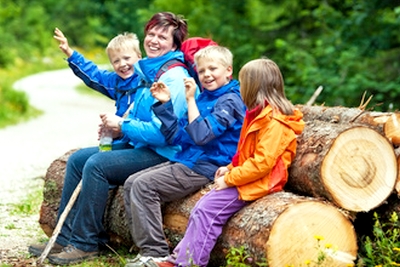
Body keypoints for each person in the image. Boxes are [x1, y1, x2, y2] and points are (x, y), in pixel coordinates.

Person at [28, 11, 192, 265]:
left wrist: (123, 125)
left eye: (162, 36)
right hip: (142, 144)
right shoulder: (149, 70)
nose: (154, 40)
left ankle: (85, 243)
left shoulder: (174, 77)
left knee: (97, 165)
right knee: (79, 159)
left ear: (174, 44)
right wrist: (118, 129)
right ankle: (64, 236)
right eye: (151, 34)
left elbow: (162, 134)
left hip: (166, 153)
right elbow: (129, 106)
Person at [155, 58, 305, 267]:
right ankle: (179, 259)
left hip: (263, 181)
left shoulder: (275, 123)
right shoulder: (258, 114)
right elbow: (247, 154)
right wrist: (230, 168)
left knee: (207, 210)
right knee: (201, 207)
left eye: (244, 83)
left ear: (254, 87)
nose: (240, 88)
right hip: (248, 176)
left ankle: (190, 263)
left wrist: (230, 179)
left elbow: (262, 164)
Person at [123, 45, 246, 267]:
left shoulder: (230, 100)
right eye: (201, 71)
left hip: (208, 165)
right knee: (132, 182)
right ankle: (144, 248)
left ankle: (155, 253)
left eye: (212, 69)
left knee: (143, 186)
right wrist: (165, 104)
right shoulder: (205, 98)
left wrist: (190, 100)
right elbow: (176, 136)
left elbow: (202, 136)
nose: (206, 75)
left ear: (229, 70)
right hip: (188, 158)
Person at [54, 27, 142, 118]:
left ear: (139, 57)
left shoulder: (148, 79)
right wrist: (69, 52)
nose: (122, 64)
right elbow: (94, 74)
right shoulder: (114, 81)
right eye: (116, 61)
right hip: (123, 129)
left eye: (127, 58)